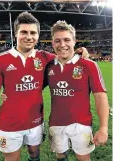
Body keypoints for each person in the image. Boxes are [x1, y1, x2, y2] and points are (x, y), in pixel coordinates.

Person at [0, 12, 88, 161]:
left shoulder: (45, 57)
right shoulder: (0, 60)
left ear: (38, 35)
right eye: (24, 32)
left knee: (34, 153)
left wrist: (81, 51)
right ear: (16, 34)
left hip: (35, 121)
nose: (29, 36)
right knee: (12, 158)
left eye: (33, 32)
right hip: (9, 123)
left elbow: (66, 57)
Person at [43, 21, 109, 161]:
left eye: (67, 39)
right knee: (60, 156)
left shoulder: (89, 65)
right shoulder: (48, 66)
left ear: (74, 41)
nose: (62, 44)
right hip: (56, 123)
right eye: (57, 41)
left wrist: (103, 128)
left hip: (81, 125)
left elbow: (100, 97)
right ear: (52, 43)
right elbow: (34, 87)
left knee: (83, 158)